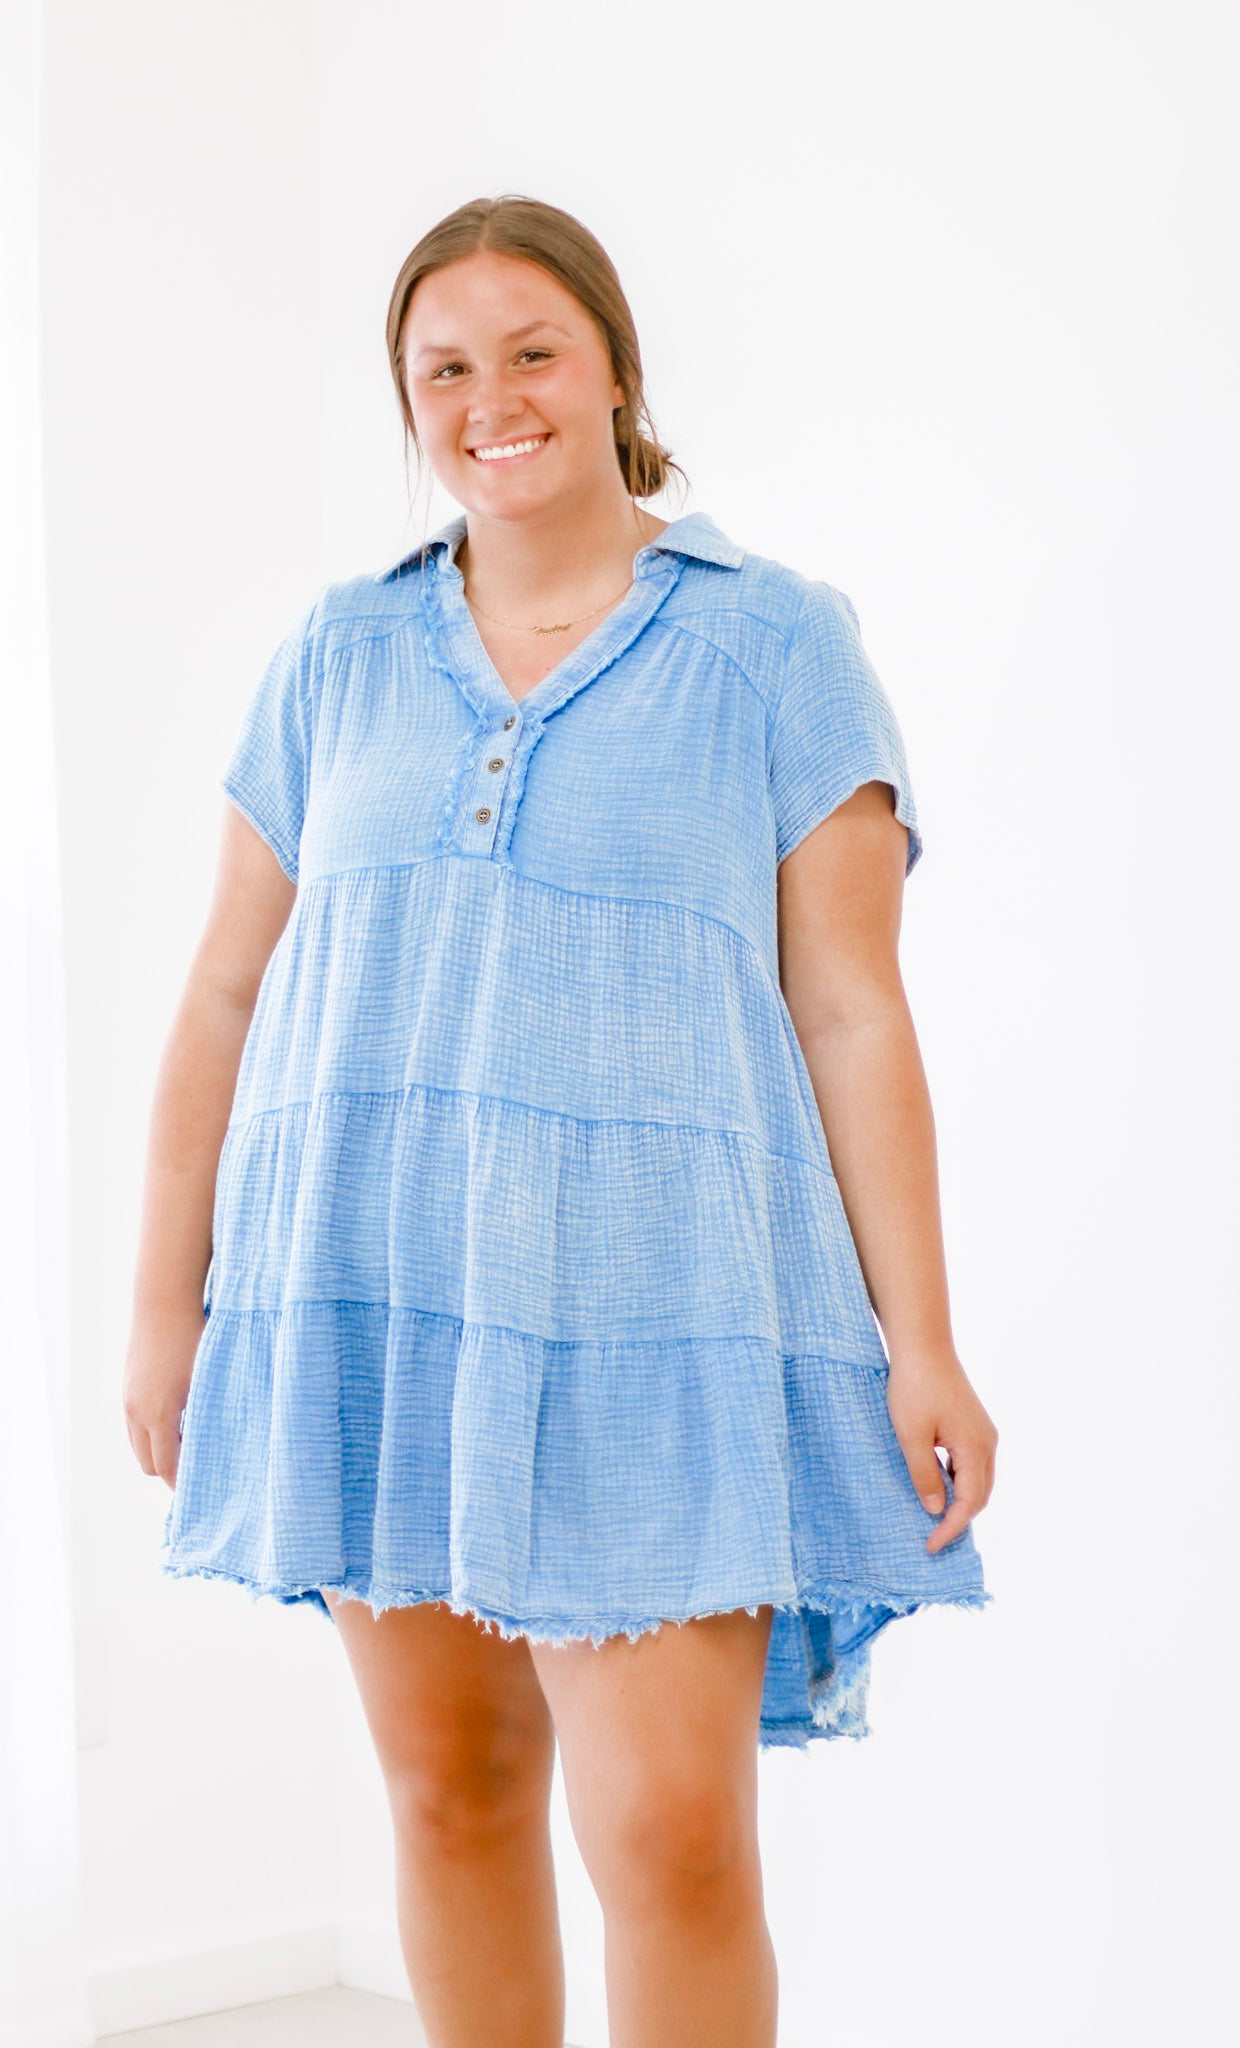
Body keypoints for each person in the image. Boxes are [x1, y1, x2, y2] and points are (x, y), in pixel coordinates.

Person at [125, 193, 999, 2048]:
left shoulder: (775, 644)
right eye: (444, 369)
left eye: (533, 352)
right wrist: (159, 1309)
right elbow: (222, 993)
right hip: (380, 1284)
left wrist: (920, 1340)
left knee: (673, 1837)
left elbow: (853, 1008)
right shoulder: (340, 653)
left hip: (668, 1310)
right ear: (408, 402)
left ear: (614, 370)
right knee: (449, 1794)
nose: (491, 400)